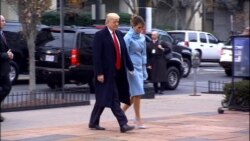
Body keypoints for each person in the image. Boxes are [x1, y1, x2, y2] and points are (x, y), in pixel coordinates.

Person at [89, 13, 135, 133]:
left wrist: (131, 67)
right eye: (114, 21)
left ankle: (93, 122)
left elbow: (124, 52)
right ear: (107, 22)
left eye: (118, 21)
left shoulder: (119, 34)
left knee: (103, 98)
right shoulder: (100, 36)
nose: (117, 24)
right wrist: (99, 73)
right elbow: (97, 56)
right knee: (113, 98)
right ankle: (123, 123)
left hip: (119, 72)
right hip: (106, 73)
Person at [122, 15, 148, 129]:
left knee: (136, 94)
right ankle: (138, 119)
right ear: (133, 26)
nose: (140, 30)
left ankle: (121, 113)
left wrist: (144, 68)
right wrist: (128, 68)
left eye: (142, 28)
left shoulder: (142, 38)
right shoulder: (127, 38)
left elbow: (143, 54)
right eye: (139, 27)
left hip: (139, 67)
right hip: (131, 68)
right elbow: (124, 54)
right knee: (137, 93)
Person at [0, 15, 14, 122]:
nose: (4, 22)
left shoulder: (2, 33)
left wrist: (9, 54)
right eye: (2, 21)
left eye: (5, 20)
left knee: (7, 88)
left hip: (4, 68)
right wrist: (6, 55)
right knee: (6, 87)